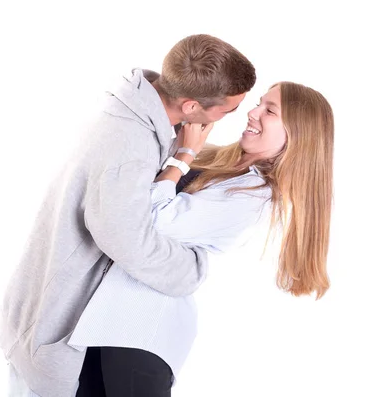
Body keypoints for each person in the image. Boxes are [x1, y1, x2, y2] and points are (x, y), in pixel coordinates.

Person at [0, 34, 256, 397]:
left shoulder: (140, 114)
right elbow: (126, 236)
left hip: (52, 311)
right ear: (192, 106)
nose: (233, 116)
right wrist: (190, 269)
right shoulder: (129, 141)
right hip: (50, 321)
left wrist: (186, 153)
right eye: (227, 110)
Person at [73, 81, 334, 396]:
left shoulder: (256, 198)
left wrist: (183, 156)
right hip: (102, 320)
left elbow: (151, 221)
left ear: (297, 132)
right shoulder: (221, 163)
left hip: (141, 330)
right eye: (259, 103)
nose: (253, 113)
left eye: (270, 110)